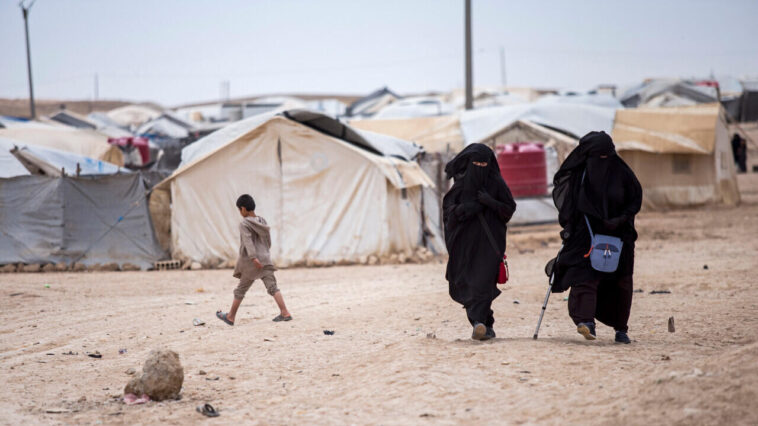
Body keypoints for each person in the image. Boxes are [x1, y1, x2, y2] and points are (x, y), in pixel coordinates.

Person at [551, 131, 642, 344]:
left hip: (619, 235)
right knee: (585, 276)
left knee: (621, 282)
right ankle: (586, 322)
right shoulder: (579, 176)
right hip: (586, 234)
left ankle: (621, 329)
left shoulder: (622, 173)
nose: (602, 162)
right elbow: (569, 207)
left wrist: (620, 219)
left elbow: (634, 200)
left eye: (606, 157)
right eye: (597, 158)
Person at [443, 143, 516, 341]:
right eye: (476, 163)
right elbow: (448, 213)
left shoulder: (497, 184)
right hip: (464, 245)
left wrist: (488, 202)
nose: (480, 168)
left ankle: (479, 323)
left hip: (489, 244)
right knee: (469, 283)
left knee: (483, 283)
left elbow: (508, 209)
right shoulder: (460, 185)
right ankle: (485, 324)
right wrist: (465, 209)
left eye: (484, 164)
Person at [216, 194, 292, 326]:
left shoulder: (244, 223)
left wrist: (253, 257)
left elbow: (248, 241)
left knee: (241, 290)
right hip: (265, 258)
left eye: (240, 210)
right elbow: (268, 240)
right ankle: (285, 312)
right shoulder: (262, 221)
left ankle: (230, 316)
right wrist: (265, 252)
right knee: (273, 287)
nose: (240, 212)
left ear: (243, 209)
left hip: (251, 262)